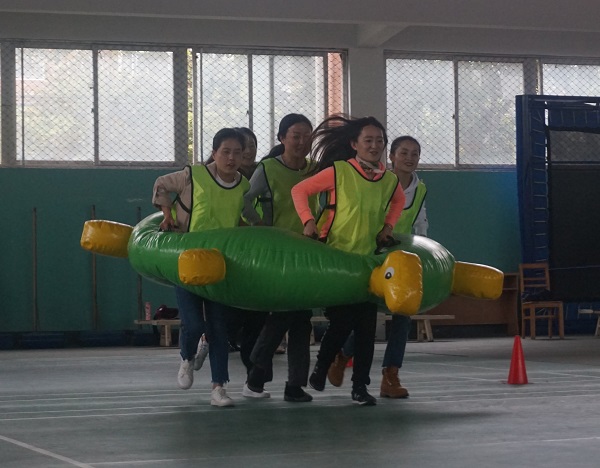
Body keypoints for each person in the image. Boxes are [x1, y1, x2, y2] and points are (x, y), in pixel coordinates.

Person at [291, 115, 406, 406]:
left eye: (379, 140)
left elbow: (399, 201)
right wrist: (308, 221)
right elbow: (299, 190)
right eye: (368, 140)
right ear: (354, 144)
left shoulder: (388, 180)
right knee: (342, 322)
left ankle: (360, 387)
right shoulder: (339, 171)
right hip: (336, 260)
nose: (374, 145)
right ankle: (322, 366)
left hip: (367, 263)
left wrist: (388, 227)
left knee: (367, 329)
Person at [152, 128, 249, 407]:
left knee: (219, 328)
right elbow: (161, 184)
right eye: (226, 152)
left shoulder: (243, 185)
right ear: (214, 153)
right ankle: (187, 357)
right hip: (188, 260)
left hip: (220, 264)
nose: (231, 158)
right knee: (194, 323)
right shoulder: (192, 176)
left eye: (237, 153)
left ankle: (219, 387)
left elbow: (241, 216)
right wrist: (167, 215)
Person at [327, 135, 428, 399]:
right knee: (367, 317)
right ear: (391, 156)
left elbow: (421, 225)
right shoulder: (379, 182)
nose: (409, 158)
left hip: (403, 259)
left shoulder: (420, 190)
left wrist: (423, 253)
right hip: (375, 255)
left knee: (403, 315)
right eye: (403, 152)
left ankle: (391, 375)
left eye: (415, 154)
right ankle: (343, 356)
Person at [241, 113, 317, 403]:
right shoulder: (268, 168)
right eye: (296, 135)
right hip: (278, 254)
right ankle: (260, 373)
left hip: (309, 252)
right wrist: (258, 224)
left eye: (307, 136)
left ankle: (281, 383)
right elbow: (244, 199)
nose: (302, 141)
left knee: (300, 319)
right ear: (282, 138)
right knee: (286, 313)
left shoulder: (315, 169)